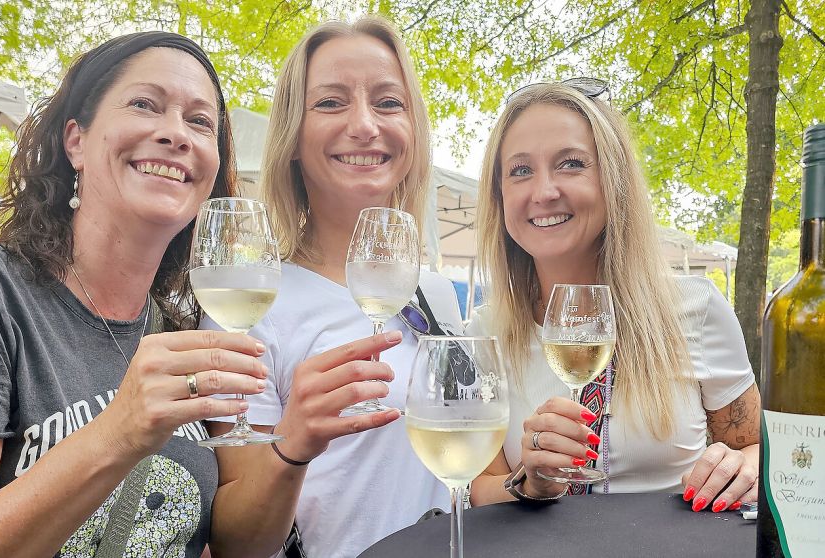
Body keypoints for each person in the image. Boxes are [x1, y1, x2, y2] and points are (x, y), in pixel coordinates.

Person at [0, 32, 282, 557]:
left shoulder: (179, 328)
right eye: (145, 104)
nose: (175, 134)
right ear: (76, 140)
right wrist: (118, 434)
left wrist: (293, 450)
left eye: (200, 121)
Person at [201, 17, 465, 558]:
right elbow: (238, 544)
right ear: (292, 137)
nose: (365, 125)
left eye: (389, 103)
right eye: (330, 103)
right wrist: (293, 444)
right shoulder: (248, 308)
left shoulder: (435, 295)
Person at [467, 81, 760, 512]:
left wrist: (743, 467)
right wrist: (529, 482)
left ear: (613, 181)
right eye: (520, 170)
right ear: (500, 195)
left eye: (570, 163)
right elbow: (477, 488)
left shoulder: (693, 308)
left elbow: (755, 448)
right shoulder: (484, 331)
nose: (544, 191)